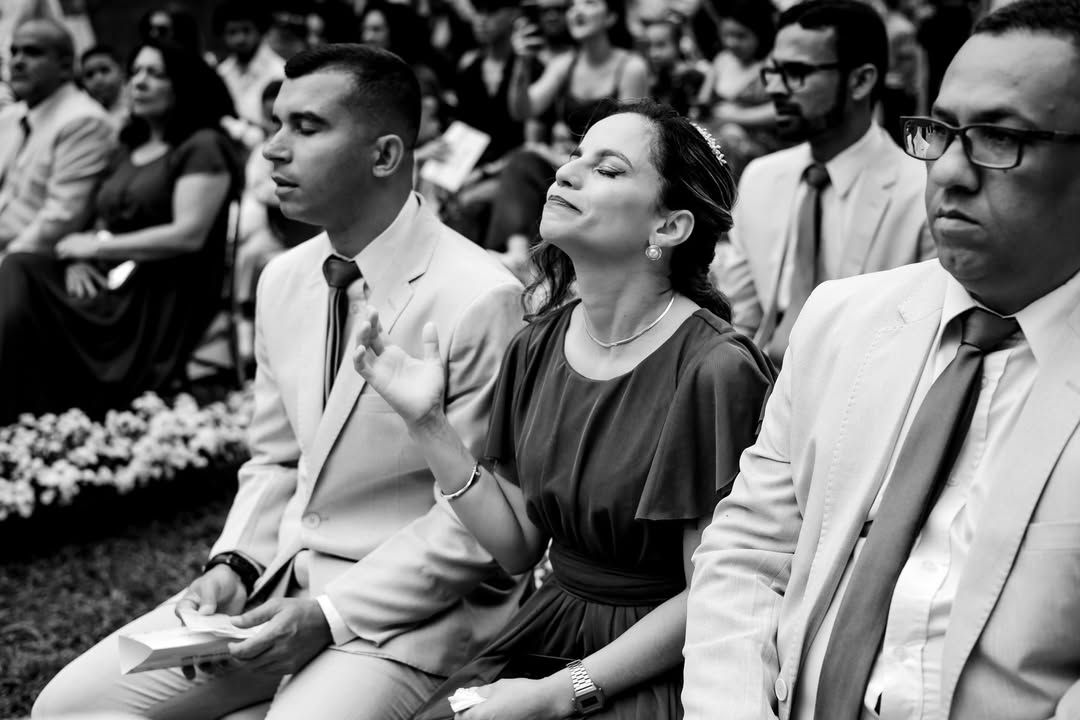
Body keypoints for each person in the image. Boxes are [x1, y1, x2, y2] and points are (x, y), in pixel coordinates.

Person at [33, 44, 529, 720]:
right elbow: (275, 457)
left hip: (412, 615)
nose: (271, 149)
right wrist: (233, 565)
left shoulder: (482, 295)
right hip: (277, 583)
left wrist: (328, 614)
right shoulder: (283, 278)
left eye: (306, 127)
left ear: (385, 156)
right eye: (274, 122)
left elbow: (476, 524)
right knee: (63, 708)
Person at [683, 1, 1080, 718]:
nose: (950, 171)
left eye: (997, 136)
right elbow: (747, 555)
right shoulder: (843, 320)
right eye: (940, 130)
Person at [354, 99, 773, 720]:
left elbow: (716, 595)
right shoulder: (536, 343)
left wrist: (558, 694)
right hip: (550, 626)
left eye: (607, 169)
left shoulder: (716, 369)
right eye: (575, 156)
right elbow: (520, 545)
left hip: (663, 661)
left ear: (669, 228)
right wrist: (427, 422)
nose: (566, 172)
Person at [0, 41, 241, 425]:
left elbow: (188, 234)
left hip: (161, 294)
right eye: (136, 72)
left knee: (19, 273)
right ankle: (23, 414)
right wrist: (83, 256)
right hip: (114, 281)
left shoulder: (202, 145)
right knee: (22, 270)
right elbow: (102, 220)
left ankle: (19, 415)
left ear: (184, 84)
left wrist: (96, 247)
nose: (139, 83)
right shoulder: (130, 144)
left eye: (155, 74)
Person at [714, 0, 933, 366]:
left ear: (861, 80)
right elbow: (741, 320)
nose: (777, 89)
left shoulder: (919, 192)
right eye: (772, 72)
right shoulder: (761, 178)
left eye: (796, 72)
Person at [488, 0, 649, 273]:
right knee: (523, 161)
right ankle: (516, 256)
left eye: (588, 3)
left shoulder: (631, 67)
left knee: (531, 155)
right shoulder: (565, 64)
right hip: (563, 164)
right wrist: (523, 64)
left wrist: (561, 155)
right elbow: (523, 109)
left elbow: (630, 137)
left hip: (606, 171)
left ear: (610, 17)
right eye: (572, 5)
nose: (576, 11)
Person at [0, 18, 113, 254]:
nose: (18, 62)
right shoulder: (10, 117)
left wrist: (6, 263)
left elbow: (59, 221)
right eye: (14, 52)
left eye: (33, 52)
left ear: (65, 66)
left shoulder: (84, 121)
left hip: (30, 263)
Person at [694, 0, 778, 176]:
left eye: (741, 36)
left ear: (760, 33)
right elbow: (702, 103)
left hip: (758, 141)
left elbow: (781, 109)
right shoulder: (722, 59)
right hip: (716, 132)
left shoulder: (773, 63)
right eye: (726, 35)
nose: (731, 42)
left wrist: (735, 116)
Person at [214, 0, 285, 149]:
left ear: (259, 30)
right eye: (232, 32)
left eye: (246, 30)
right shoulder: (221, 73)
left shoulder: (279, 71)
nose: (240, 39)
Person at [78, 45, 127, 129]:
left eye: (104, 70)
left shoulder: (136, 111)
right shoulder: (83, 116)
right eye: (89, 74)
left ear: (122, 71)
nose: (98, 80)